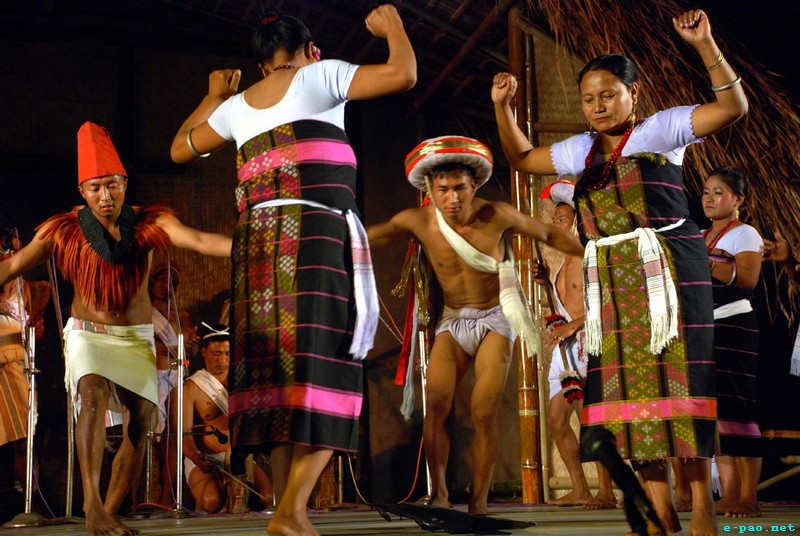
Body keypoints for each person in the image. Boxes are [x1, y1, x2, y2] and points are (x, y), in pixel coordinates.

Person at [492, 9, 748, 535]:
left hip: (670, 267)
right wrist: (503, 108)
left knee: (680, 386)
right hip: (610, 274)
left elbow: (732, 106)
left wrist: (705, 44)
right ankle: (660, 516)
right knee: (630, 396)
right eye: (589, 98)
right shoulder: (579, 150)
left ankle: (702, 512)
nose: (598, 106)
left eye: (608, 94)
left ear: (634, 93)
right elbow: (520, 157)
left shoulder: (661, 129)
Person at [169, 5, 415, 535]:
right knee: (331, 365)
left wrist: (213, 95)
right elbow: (403, 73)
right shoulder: (321, 75)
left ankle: (292, 509)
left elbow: (179, 148)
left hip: (255, 246)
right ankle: (290, 508)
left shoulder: (234, 108)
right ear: (310, 51)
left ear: (261, 67)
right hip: (313, 238)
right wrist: (391, 25)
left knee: (276, 376)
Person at [0, 121, 232, 536]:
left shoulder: (148, 223)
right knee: (90, 397)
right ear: (82, 191)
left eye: (112, 185)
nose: (104, 196)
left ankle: (108, 510)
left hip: (134, 339)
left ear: (125, 182)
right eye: (94, 188)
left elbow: (197, 240)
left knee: (140, 424)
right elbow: (14, 266)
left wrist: (253, 246)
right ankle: (92, 505)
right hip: (88, 334)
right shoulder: (65, 231)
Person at [367, 136, 584, 515]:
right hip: (453, 319)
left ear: (474, 186)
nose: (452, 199)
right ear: (429, 190)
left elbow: (548, 234)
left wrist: (603, 251)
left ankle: (479, 502)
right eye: (443, 190)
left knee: (483, 412)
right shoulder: (416, 220)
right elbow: (369, 237)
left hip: (495, 318)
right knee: (434, 407)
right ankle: (440, 495)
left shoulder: (496, 214)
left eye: (460, 189)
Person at [535, 181, 615, 509]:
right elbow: (560, 305)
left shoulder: (593, 256)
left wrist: (574, 326)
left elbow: (608, 302)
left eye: (563, 219)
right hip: (565, 348)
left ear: (579, 221)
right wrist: (544, 285)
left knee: (590, 419)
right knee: (556, 421)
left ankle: (607, 492)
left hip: (587, 341)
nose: (557, 225)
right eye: (555, 220)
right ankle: (580, 488)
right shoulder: (563, 260)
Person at [702, 167, 763, 517]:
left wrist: (703, 262)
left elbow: (748, 279)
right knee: (718, 413)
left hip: (734, 323)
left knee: (738, 407)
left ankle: (749, 497)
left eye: (719, 192)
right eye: (707, 192)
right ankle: (729, 494)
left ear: (737, 199)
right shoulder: (699, 234)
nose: (710, 198)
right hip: (705, 328)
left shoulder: (744, 233)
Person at [178, 322, 272, 513]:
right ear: (204, 352)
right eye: (217, 354)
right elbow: (184, 435)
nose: (222, 360)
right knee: (211, 500)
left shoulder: (243, 383)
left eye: (228, 354)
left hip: (239, 457)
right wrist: (197, 458)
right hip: (205, 458)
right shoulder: (191, 387)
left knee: (268, 499)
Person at [0, 227, 48, 504]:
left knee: (24, 440)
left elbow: (46, 288)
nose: (14, 255)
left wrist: (37, 319)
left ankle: (30, 504)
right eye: (7, 248)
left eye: (18, 250)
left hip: (19, 365)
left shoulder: (25, 288)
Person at [148, 260, 199, 505]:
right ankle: (140, 498)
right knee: (146, 437)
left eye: (170, 280)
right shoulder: (143, 313)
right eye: (159, 278)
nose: (164, 284)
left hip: (177, 378)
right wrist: (169, 348)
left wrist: (191, 343)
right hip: (152, 377)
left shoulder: (182, 316)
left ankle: (169, 495)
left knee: (173, 437)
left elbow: (187, 346)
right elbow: (146, 345)